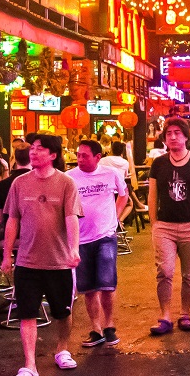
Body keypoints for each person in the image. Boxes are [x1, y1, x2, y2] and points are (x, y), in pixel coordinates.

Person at [0, 133, 83, 374]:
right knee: (27, 313)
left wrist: (74, 249)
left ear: (53, 155)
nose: (33, 152)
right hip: (27, 262)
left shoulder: (66, 183)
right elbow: (12, 220)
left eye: (40, 149)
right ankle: (30, 365)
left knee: (62, 312)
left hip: (59, 262)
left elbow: (71, 219)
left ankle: (62, 349)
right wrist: (7, 254)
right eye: (32, 148)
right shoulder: (19, 183)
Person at [146, 117, 190, 335]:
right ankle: (165, 315)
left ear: (186, 136)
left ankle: (185, 313)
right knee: (164, 271)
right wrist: (154, 224)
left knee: (189, 275)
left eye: (177, 132)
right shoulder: (158, 163)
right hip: (164, 226)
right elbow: (152, 195)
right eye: (169, 133)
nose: (173, 137)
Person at [68, 140, 129, 348]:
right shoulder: (70, 178)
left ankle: (109, 325)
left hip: (105, 236)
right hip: (81, 239)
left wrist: (116, 218)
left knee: (107, 284)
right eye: (78, 155)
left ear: (97, 157)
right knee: (88, 288)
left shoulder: (111, 174)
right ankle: (96, 329)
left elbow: (124, 195)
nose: (80, 159)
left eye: (85, 155)